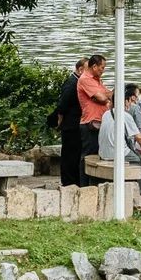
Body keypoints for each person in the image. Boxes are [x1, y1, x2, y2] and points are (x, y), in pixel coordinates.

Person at [98, 87, 141, 196]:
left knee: (136, 156)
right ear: (125, 101)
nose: (131, 103)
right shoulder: (125, 115)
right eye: (130, 101)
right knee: (140, 161)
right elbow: (138, 137)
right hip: (117, 153)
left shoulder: (106, 114)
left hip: (103, 153)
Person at [77, 53, 112, 186]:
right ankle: (84, 185)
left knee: (97, 153)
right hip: (90, 123)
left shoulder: (97, 80)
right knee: (88, 155)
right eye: (102, 67)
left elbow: (106, 95)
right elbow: (102, 98)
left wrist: (105, 95)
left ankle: (94, 183)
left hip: (100, 122)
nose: (103, 70)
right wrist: (105, 95)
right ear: (94, 66)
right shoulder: (85, 79)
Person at [55, 57, 87, 186]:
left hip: (75, 123)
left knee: (74, 153)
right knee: (70, 154)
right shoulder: (72, 83)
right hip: (70, 124)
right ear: (80, 69)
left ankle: (73, 180)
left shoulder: (78, 82)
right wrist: (60, 121)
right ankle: (68, 181)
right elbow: (62, 105)